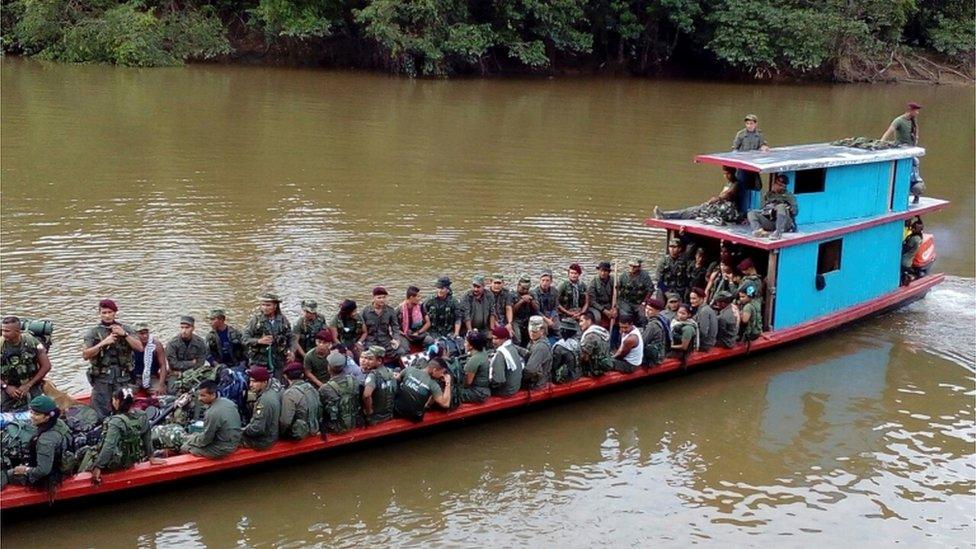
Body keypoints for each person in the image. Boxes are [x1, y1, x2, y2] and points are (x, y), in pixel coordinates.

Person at [82, 388, 162, 483]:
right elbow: (147, 437)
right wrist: (151, 457)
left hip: (117, 463)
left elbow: (109, 446)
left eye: (114, 399)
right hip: (132, 459)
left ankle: (80, 474)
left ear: (117, 401)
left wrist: (98, 466)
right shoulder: (142, 415)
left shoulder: (116, 422)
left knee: (86, 452)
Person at [82, 299, 144, 420]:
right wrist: (103, 343)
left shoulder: (126, 329)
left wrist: (124, 335)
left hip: (123, 377)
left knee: (124, 409)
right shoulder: (93, 332)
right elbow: (85, 355)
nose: (107, 315)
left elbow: (140, 348)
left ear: (115, 313)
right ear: (99, 313)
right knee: (100, 412)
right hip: (102, 379)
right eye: (104, 312)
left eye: (110, 312)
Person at [5, 395, 69, 493]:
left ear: (47, 417)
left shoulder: (45, 440)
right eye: (31, 412)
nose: (32, 416)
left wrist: (25, 469)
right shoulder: (58, 423)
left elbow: (43, 470)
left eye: (37, 414)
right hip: (60, 462)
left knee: (6, 474)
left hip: (48, 476)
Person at [654, 166, 740, 225]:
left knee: (693, 211)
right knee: (691, 210)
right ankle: (666, 215)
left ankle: (666, 216)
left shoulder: (736, 184)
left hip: (727, 211)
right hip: (718, 207)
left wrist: (716, 199)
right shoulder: (728, 183)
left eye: (728, 174)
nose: (726, 176)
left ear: (733, 173)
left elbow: (728, 195)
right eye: (724, 174)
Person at [1, 316, 53, 412]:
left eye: (7, 331)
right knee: (4, 413)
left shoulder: (31, 342)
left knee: (39, 410)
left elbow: (46, 366)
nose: (4, 334)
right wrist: (6, 387)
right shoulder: (1, 345)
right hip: (6, 386)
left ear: (17, 331)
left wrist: (28, 385)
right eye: (2, 330)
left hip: (31, 384)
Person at [180, 380, 242, 459]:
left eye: (203, 396)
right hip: (233, 441)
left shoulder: (212, 413)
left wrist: (191, 440)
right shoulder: (228, 402)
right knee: (194, 437)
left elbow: (206, 439)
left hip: (223, 449)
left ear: (213, 395)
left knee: (185, 447)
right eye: (199, 395)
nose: (199, 398)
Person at [881, 102, 924, 203]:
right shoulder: (899, 121)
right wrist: (881, 142)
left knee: (914, 169)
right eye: (916, 110)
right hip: (901, 149)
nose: (917, 113)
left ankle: (916, 194)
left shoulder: (913, 121)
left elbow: (916, 130)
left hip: (910, 150)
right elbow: (889, 131)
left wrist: (916, 138)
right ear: (910, 111)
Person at [243, 294, 293, 377]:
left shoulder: (283, 320)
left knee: (280, 384)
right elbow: (245, 338)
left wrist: (291, 351)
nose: (265, 308)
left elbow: (290, 337)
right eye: (263, 305)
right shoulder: (256, 320)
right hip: (259, 360)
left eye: (268, 305)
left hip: (278, 360)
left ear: (275, 306)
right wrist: (259, 341)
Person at [319, 351, 361, 434]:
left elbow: (320, 411)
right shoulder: (353, 380)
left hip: (335, 426)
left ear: (329, 367)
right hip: (355, 421)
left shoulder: (325, 388)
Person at [165, 316, 209, 394]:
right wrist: (191, 363)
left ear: (193, 328)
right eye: (182, 328)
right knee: (172, 391)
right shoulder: (172, 344)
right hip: (176, 374)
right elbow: (173, 364)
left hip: (194, 372)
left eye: (187, 328)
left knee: (203, 389)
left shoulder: (200, 343)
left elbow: (200, 363)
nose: (184, 331)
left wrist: (188, 372)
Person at [747, 174, 798, 240]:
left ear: (784, 187)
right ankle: (759, 231)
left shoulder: (789, 196)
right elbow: (762, 209)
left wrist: (787, 208)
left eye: (780, 185)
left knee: (781, 206)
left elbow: (795, 211)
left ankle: (778, 232)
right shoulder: (768, 195)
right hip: (771, 221)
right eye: (776, 184)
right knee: (751, 213)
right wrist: (770, 208)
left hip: (784, 223)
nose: (776, 186)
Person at [278, 361, 320, 439]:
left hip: (299, 433)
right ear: (302, 375)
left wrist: (281, 434)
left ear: (286, 376)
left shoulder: (289, 394)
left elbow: (285, 422)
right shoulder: (311, 388)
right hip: (315, 428)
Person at [360, 287, 402, 361]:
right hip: (370, 341)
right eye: (379, 298)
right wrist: (360, 342)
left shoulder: (390, 311)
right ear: (373, 298)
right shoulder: (365, 311)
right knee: (368, 358)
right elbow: (360, 328)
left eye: (384, 297)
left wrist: (396, 339)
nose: (382, 300)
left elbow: (395, 326)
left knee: (401, 352)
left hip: (385, 340)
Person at [361, 346, 397, 426]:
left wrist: (368, 411)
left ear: (379, 361)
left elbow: (367, 395)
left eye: (370, 359)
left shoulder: (373, 375)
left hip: (375, 419)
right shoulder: (390, 372)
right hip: (388, 415)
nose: (366, 361)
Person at [130, 322, 168, 395]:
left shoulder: (156, 345)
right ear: (135, 334)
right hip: (135, 378)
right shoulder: (131, 344)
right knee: (124, 394)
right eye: (141, 333)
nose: (145, 336)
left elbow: (163, 366)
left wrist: (161, 384)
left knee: (161, 395)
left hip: (152, 377)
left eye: (146, 333)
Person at [488, 325, 523, 397]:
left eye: (496, 339)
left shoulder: (500, 353)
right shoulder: (512, 347)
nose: (493, 341)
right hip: (515, 387)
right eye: (493, 338)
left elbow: (498, 380)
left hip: (506, 391)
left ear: (504, 339)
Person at [618, 258, 654, 326]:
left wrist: (644, 302)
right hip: (626, 301)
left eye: (634, 267)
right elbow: (619, 288)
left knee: (643, 317)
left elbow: (650, 290)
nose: (632, 268)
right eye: (630, 266)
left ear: (639, 267)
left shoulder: (645, 276)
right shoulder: (623, 276)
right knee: (625, 316)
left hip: (639, 302)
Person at [458, 330, 491, 403]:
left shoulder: (474, 359)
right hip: (484, 390)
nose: (464, 344)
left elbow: (467, 383)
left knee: (454, 394)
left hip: (478, 393)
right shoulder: (483, 352)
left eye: (466, 342)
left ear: (471, 346)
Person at [396, 286, 432, 351]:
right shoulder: (399, 309)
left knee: (429, 340)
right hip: (404, 335)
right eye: (418, 296)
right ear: (411, 297)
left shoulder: (421, 306)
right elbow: (392, 325)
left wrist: (418, 332)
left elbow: (428, 323)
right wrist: (401, 333)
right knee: (405, 349)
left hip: (418, 333)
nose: (420, 298)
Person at [578, 311, 613, 377]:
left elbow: (585, 357)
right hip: (604, 364)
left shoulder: (590, 336)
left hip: (595, 370)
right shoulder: (601, 331)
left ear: (589, 321)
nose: (580, 324)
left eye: (581, 321)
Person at [522, 316, 552, 390]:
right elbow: (529, 353)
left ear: (542, 331)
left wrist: (518, 376)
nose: (531, 334)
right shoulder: (535, 340)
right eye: (530, 331)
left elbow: (530, 370)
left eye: (535, 332)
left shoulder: (540, 347)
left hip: (537, 384)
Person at [550, 319, 581, 383]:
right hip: (577, 374)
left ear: (564, 331)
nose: (559, 331)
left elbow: (554, 367)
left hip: (566, 378)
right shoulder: (577, 343)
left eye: (561, 329)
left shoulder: (559, 347)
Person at [511, 276, 539, 346]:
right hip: (516, 319)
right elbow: (512, 312)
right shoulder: (512, 294)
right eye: (523, 288)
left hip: (528, 318)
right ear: (518, 286)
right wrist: (521, 301)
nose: (525, 291)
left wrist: (531, 301)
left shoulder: (532, 294)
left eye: (527, 289)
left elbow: (537, 309)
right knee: (517, 338)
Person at [640, 298, 669, 366]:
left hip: (655, 358)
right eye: (646, 308)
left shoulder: (652, 325)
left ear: (658, 311)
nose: (647, 311)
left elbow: (642, 342)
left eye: (650, 310)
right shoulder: (662, 319)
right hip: (660, 353)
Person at [901, 218, 925, 285]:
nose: (911, 229)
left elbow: (905, 248)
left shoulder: (914, 239)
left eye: (913, 228)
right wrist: (919, 218)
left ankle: (907, 279)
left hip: (904, 261)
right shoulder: (920, 238)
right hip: (909, 262)